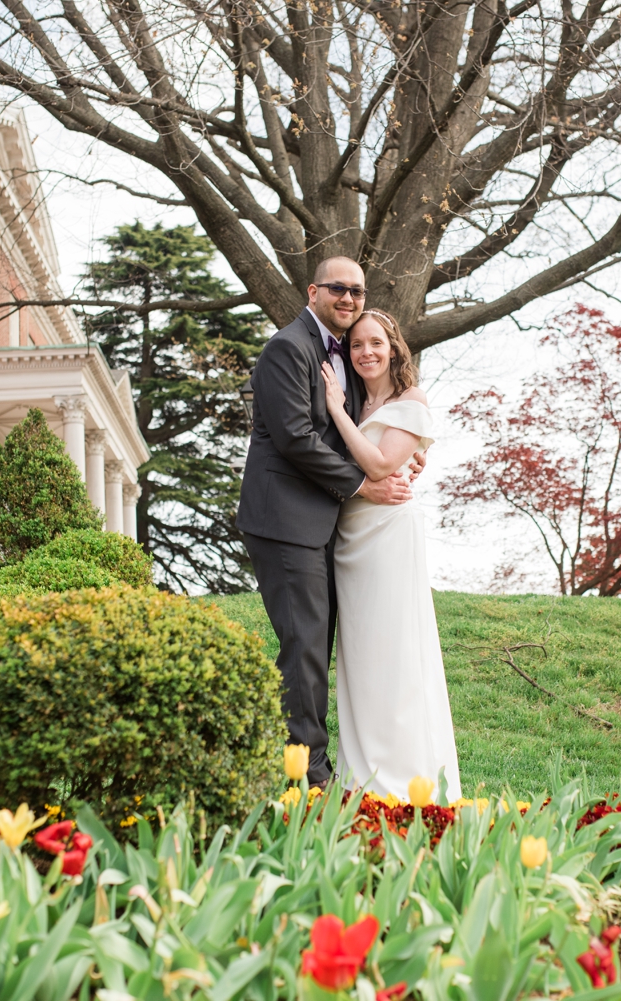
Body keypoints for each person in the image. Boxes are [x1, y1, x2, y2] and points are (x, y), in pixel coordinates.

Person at [236, 257, 422, 787]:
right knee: (304, 645)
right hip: (285, 519)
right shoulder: (288, 348)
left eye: (358, 291)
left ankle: (316, 765)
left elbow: (362, 428)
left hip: (326, 524)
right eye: (338, 289)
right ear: (314, 290)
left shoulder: (342, 355)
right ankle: (308, 778)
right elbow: (295, 436)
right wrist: (365, 484)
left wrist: (404, 450)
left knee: (317, 645)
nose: (348, 298)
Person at [320, 309, 461, 801]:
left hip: (388, 537)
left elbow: (380, 462)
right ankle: (360, 778)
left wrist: (336, 408)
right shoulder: (360, 402)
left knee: (395, 653)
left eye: (375, 343)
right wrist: (345, 408)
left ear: (394, 347)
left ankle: (404, 782)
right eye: (356, 345)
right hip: (349, 539)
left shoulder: (410, 400)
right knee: (359, 659)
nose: (366, 353)